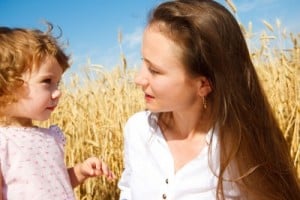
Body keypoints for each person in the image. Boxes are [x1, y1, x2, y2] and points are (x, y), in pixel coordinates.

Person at [118, 0, 300, 199]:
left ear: (203, 85)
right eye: (143, 62)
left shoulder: (238, 149)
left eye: (155, 71)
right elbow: (127, 192)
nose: (138, 79)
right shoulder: (137, 131)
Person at [0, 23, 115, 200]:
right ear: (7, 84)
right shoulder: (4, 142)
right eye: (47, 81)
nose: (58, 91)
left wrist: (80, 171)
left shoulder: (51, 137)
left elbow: (56, 184)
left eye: (58, 83)